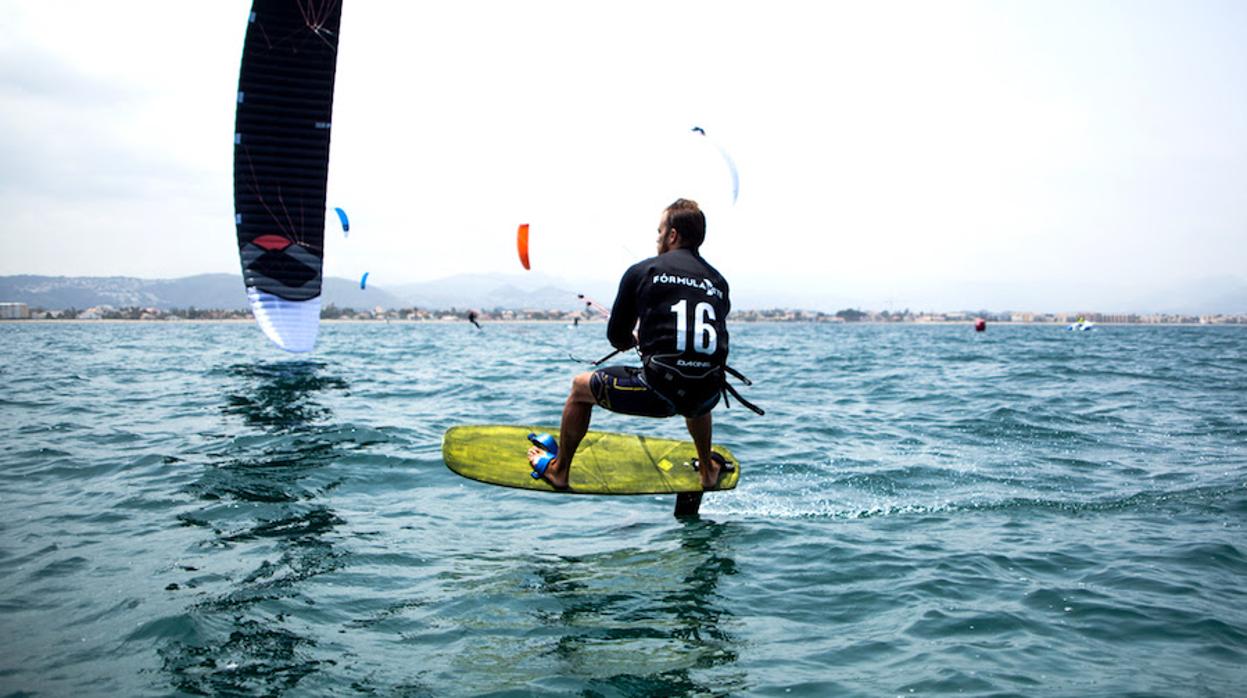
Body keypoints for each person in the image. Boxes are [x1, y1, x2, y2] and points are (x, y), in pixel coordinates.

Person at [527, 198, 732, 491]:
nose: (658, 237)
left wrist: (633, 339)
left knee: (579, 388)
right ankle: (708, 472)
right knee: (697, 383)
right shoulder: (718, 281)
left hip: (658, 392)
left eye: (660, 231)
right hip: (706, 394)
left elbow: (616, 337)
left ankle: (560, 471)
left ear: (673, 235)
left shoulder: (643, 271)